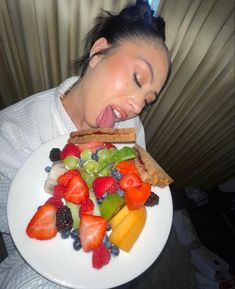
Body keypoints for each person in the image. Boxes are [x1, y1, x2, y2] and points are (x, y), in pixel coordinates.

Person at [0, 0, 171, 288]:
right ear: (98, 52)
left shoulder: (131, 128)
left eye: (148, 100)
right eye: (137, 79)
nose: (137, 106)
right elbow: (13, 225)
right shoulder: (11, 134)